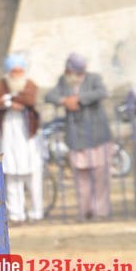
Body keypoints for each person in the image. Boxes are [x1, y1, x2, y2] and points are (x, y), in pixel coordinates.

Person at [45, 52, 114, 219]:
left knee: (100, 176)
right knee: (81, 178)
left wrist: (78, 99)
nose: (68, 73)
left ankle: (100, 211)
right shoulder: (63, 81)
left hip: (97, 136)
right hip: (76, 136)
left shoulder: (93, 78)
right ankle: (85, 211)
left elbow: (102, 92)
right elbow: (50, 96)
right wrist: (64, 101)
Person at [0, 57, 43, 224]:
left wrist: (7, 99)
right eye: (14, 71)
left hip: (28, 135)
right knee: (12, 176)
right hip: (9, 135)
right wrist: (10, 103)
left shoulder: (29, 84)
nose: (17, 75)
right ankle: (16, 215)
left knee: (33, 176)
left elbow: (29, 99)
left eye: (19, 71)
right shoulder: (0, 85)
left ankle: (36, 213)